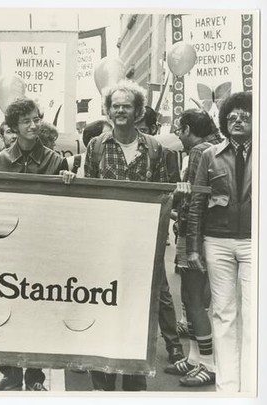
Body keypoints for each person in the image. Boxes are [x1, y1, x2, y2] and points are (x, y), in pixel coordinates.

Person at [0, 97, 72, 391]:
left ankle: (35, 377)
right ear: (13, 127)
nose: (33, 125)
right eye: (26, 121)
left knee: (37, 311)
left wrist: (69, 179)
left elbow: (67, 206)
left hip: (42, 249)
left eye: (36, 119)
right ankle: (11, 374)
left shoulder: (57, 161)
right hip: (8, 249)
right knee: (7, 309)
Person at [84, 80, 168, 391]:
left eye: (127, 105)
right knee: (103, 314)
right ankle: (102, 386)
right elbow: (87, 197)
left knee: (136, 318)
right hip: (104, 247)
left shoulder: (156, 148)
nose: (121, 110)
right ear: (108, 110)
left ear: (138, 111)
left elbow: (164, 197)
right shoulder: (95, 147)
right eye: (115, 105)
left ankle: (134, 387)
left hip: (141, 250)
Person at [186, 92, 252, 392]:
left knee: (254, 314)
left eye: (245, 114)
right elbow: (198, 202)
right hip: (217, 241)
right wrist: (193, 247)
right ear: (224, 121)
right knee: (223, 313)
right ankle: (228, 388)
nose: (238, 120)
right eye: (232, 116)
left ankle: (252, 385)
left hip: (255, 242)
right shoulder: (210, 155)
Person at [166, 109, 223, 387]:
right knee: (196, 299)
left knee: (193, 299)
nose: (178, 134)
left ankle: (208, 363)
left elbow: (194, 197)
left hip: (195, 233)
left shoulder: (201, 150)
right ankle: (194, 358)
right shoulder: (215, 146)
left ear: (188, 128)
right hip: (206, 231)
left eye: (180, 129)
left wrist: (179, 211)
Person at [134, 106, 185, 367]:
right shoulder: (111, 147)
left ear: (154, 129)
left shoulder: (161, 153)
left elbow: (172, 190)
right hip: (121, 230)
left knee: (161, 290)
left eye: (143, 128)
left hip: (151, 230)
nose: (139, 132)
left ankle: (173, 345)